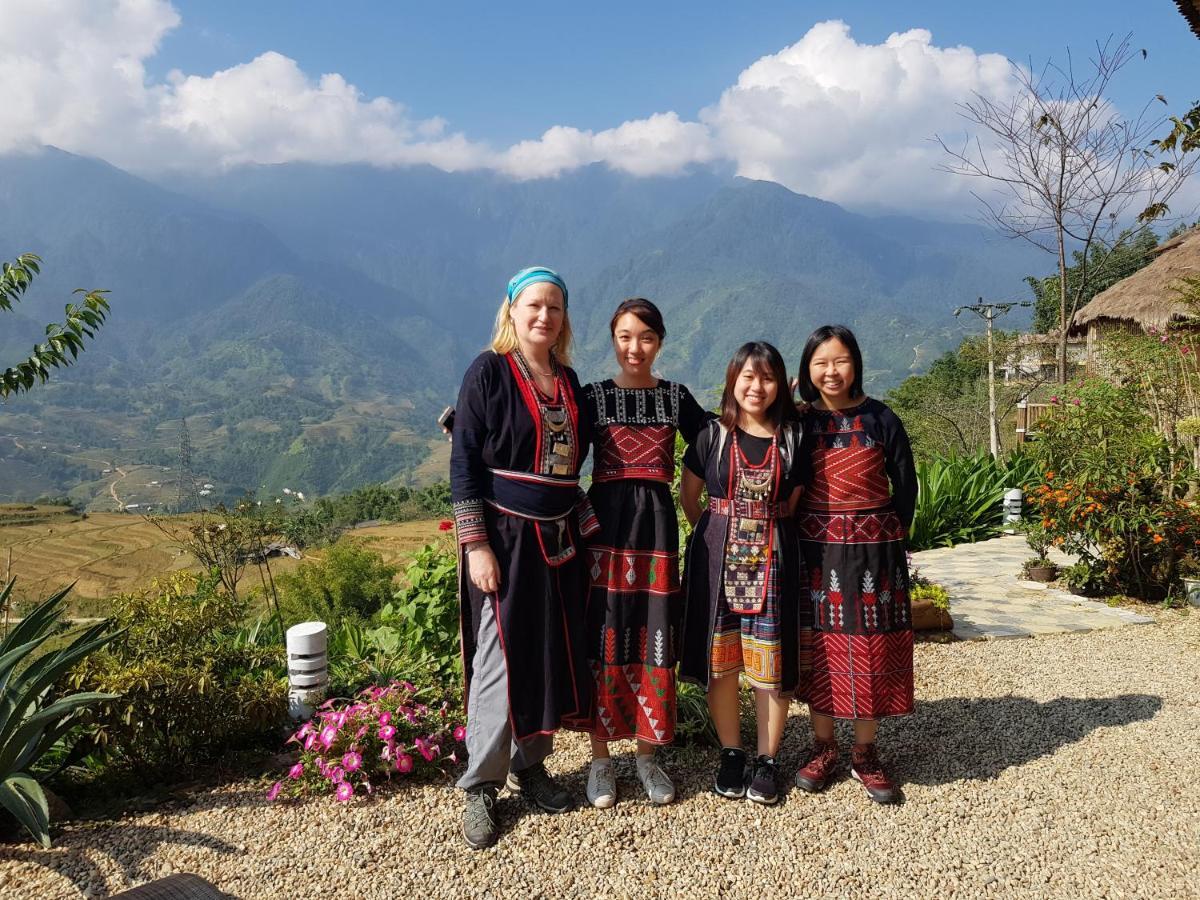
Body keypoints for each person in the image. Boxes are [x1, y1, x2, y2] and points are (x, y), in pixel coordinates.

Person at [449, 266, 598, 849]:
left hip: (558, 540)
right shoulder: (487, 372)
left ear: (564, 320)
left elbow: (574, 463)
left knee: (546, 654)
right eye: (534, 305)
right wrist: (477, 544)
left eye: (555, 308)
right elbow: (464, 463)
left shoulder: (569, 381)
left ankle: (530, 765)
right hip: (505, 538)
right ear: (511, 310)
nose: (544, 316)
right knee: (498, 660)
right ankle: (481, 784)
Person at [579, 298, 709, 809]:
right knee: (603, 634)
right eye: (625, 336)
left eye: (646, 338)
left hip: (656, 530)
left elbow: (717, 439)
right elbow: (547, 443)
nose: (635, 348)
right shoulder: (591, 398)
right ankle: (601, 760)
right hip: (604, 528)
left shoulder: (676, 398)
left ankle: (648, 757)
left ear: (660, 342)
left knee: (656, 633)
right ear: (613, 339)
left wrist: (786, 416)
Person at [792, 324, 917, 805]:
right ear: (807, 369)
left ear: (856, 363)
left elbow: (904, 485)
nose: (831, 371)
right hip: (815, 553)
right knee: (818, 650)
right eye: (819, 362)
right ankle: (823, 747)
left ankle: (865, 752)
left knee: (870, 650)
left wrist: (890, 540)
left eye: (839, 361)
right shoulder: (800, 422)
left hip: (872, 555)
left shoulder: (881, 418)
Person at [678, 341, 805, 805]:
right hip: (717, 558)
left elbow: (793, 501)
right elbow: (690, 498)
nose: (757, 387)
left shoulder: (792, 437)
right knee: (722, 660)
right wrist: (717, 536)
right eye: (748, 376)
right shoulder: (711, 435)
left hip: (773, 554)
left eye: (767, 378)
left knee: (771, 659)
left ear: (778, 384)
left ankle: (768, 758)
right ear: (733, 379)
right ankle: (732, 752)